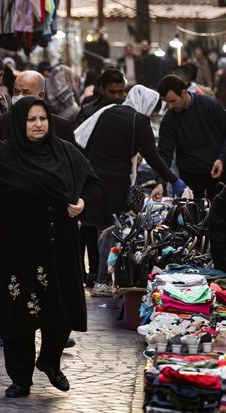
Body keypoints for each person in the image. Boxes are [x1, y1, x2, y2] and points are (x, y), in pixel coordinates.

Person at [0, 97, 101, 398]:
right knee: (17, 316)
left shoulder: (66, 152)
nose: (39, 124)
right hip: (16, 249)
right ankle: (20, 378)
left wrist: (82, 203)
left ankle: (49, 361)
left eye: (43, 118)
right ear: (19, 122)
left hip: (58, 247)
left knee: (63, 311)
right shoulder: (0, 157)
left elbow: (94, 184)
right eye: (31, 119)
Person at [75, 85, 187, 297]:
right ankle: (102, 281)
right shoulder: (139, 121)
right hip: (115, 184)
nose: (152, 113)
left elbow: (88, 144)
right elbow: (153, 157)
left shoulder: (108, 112)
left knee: (102, 230)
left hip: (94, 180)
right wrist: (174, 180)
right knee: (111, 232)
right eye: (153, 108)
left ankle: (103, 279)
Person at [156, 75, 226, 199]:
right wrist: (160, 182)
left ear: (183, 93)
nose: (170, 106)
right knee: (191, 216)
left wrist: (222, 158)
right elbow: (164, 153)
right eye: (167, 102)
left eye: (173, 101)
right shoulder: (170, 119)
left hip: (218, 171)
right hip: (190, 177)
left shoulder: (211, 105)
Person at [0, 70, 76, 158]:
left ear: (41, 95)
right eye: (16, 92)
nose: (19, 96)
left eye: (26, 92)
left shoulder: (61, 127)